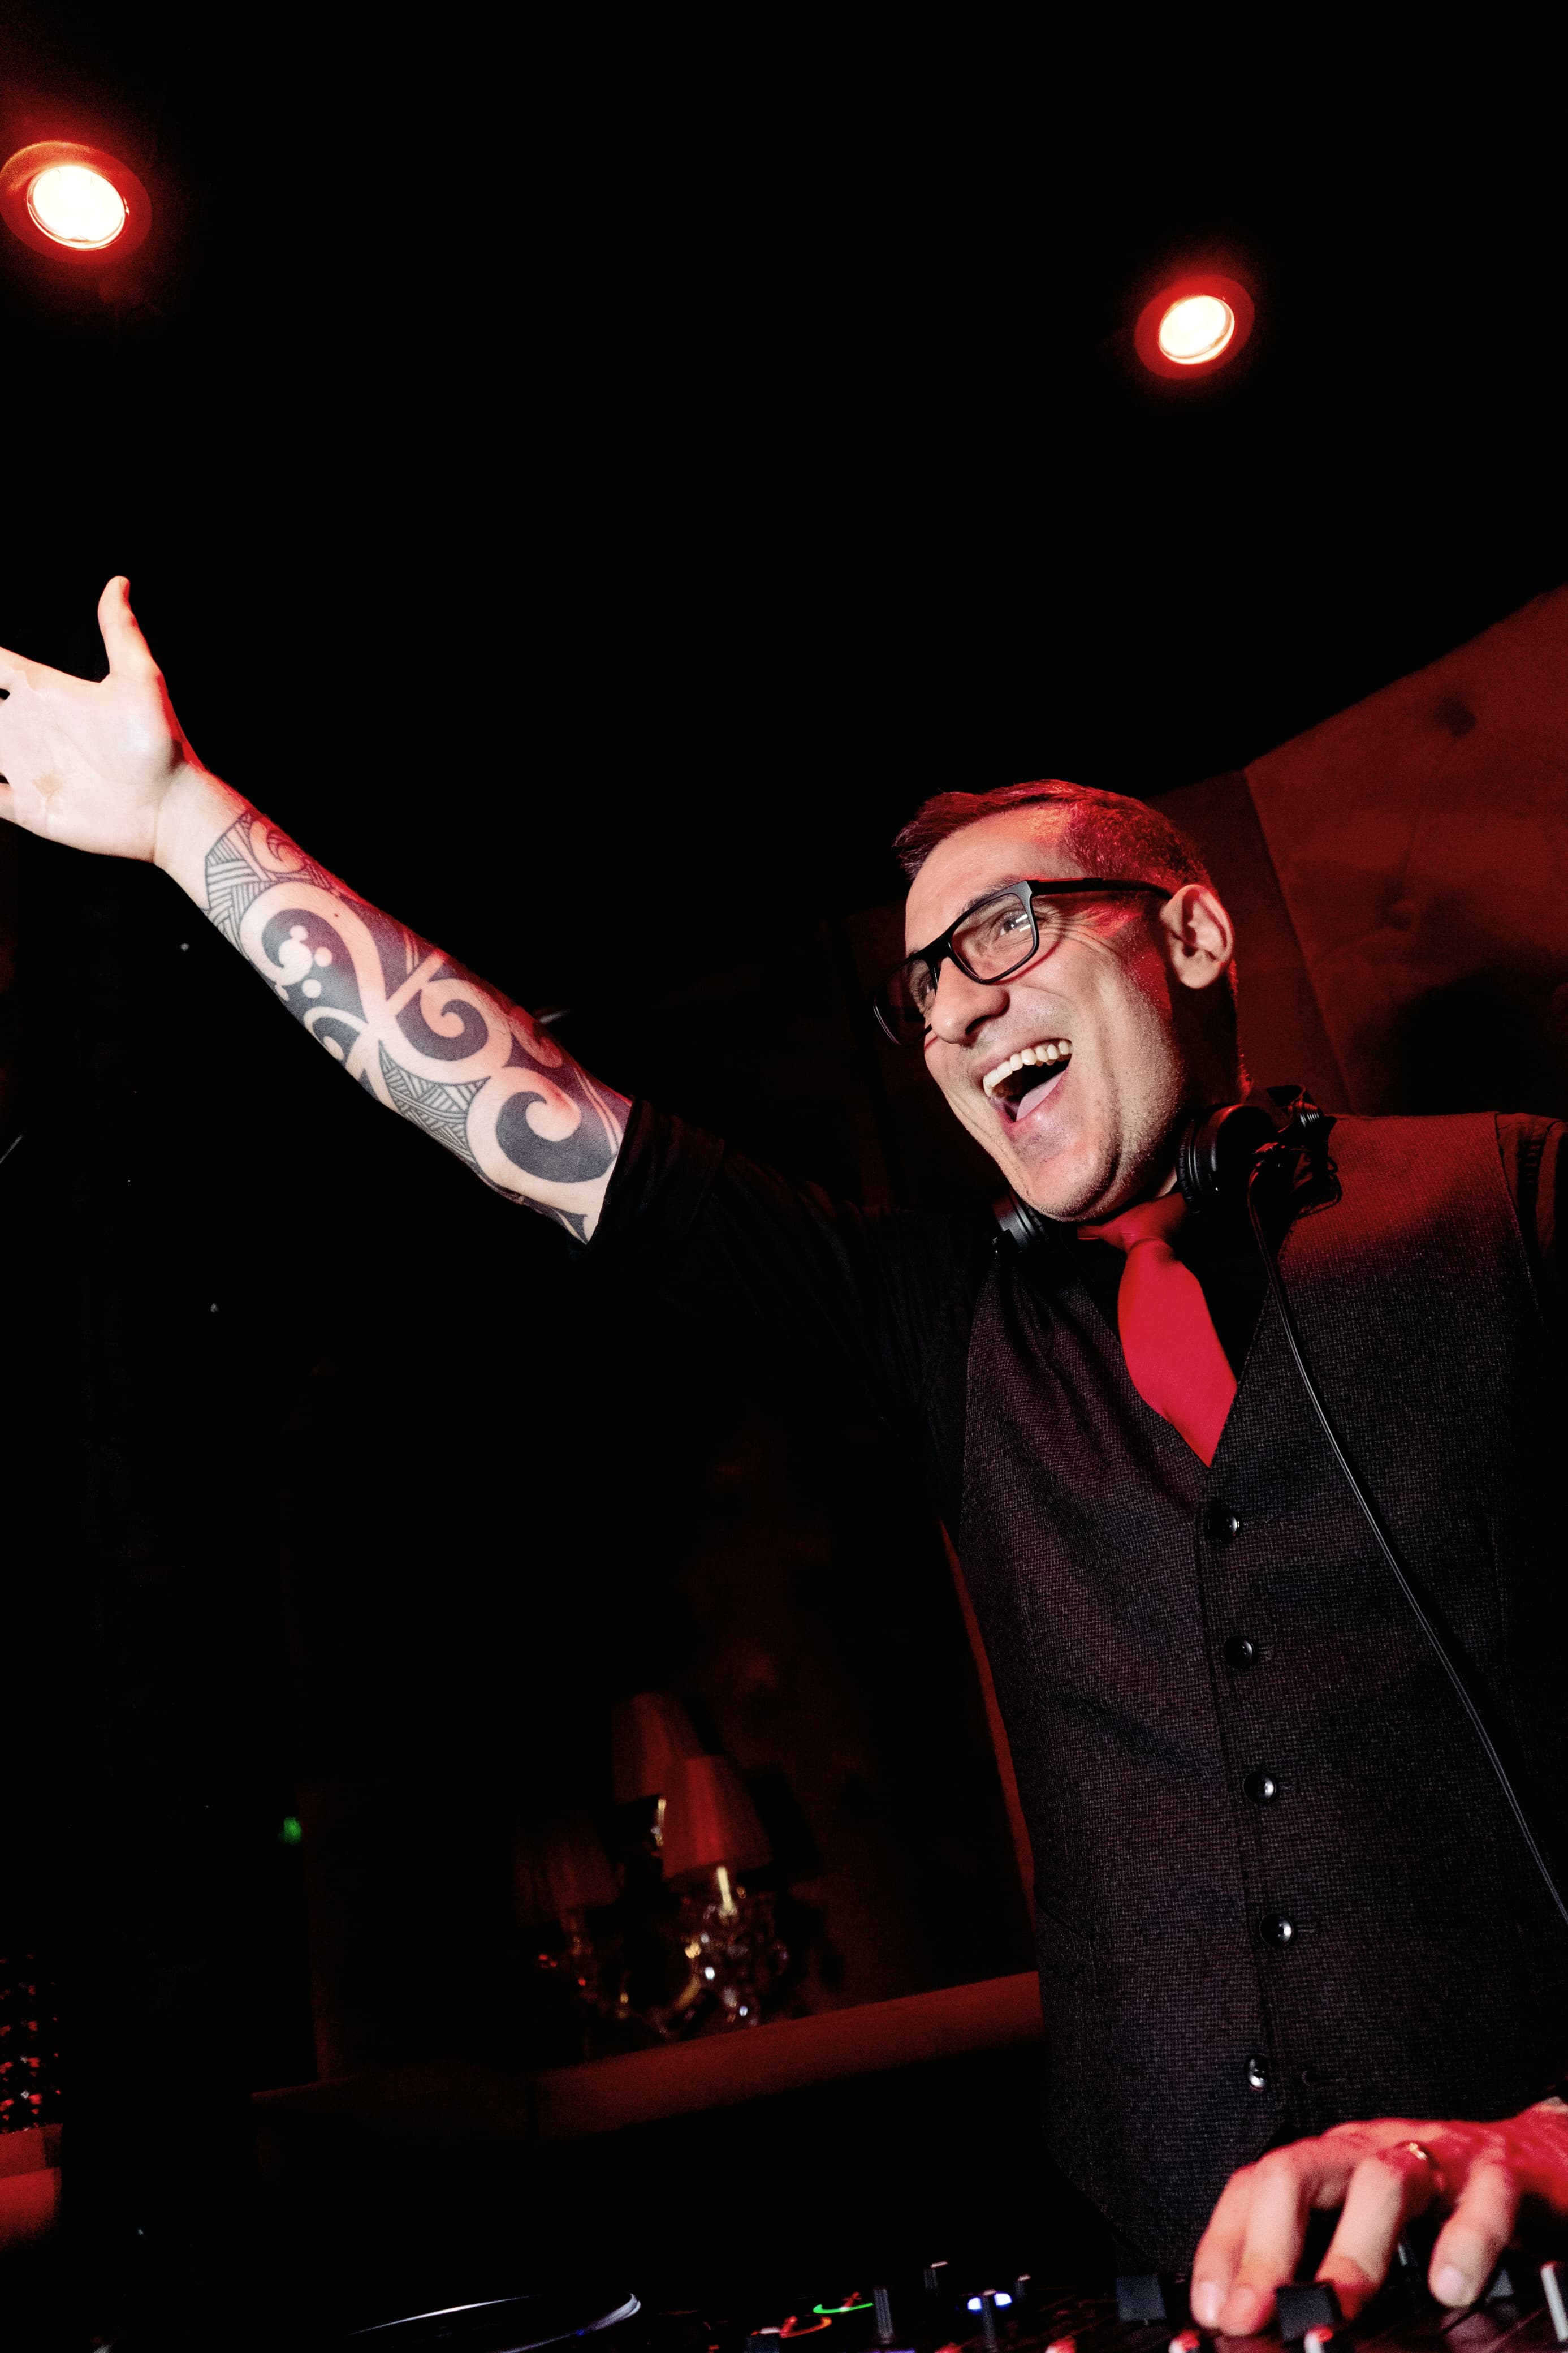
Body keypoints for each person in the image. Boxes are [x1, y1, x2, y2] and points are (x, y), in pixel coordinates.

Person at [2, 580, 1565, 2320]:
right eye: (923, 990)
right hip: (1168, 2277)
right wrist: (181, 822)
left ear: (1191, 937)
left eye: (1005, 933)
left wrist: (1557, 2137)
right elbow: (535, 1115)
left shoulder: (1510, 1206)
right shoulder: (946, 1323)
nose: (959, 1015)